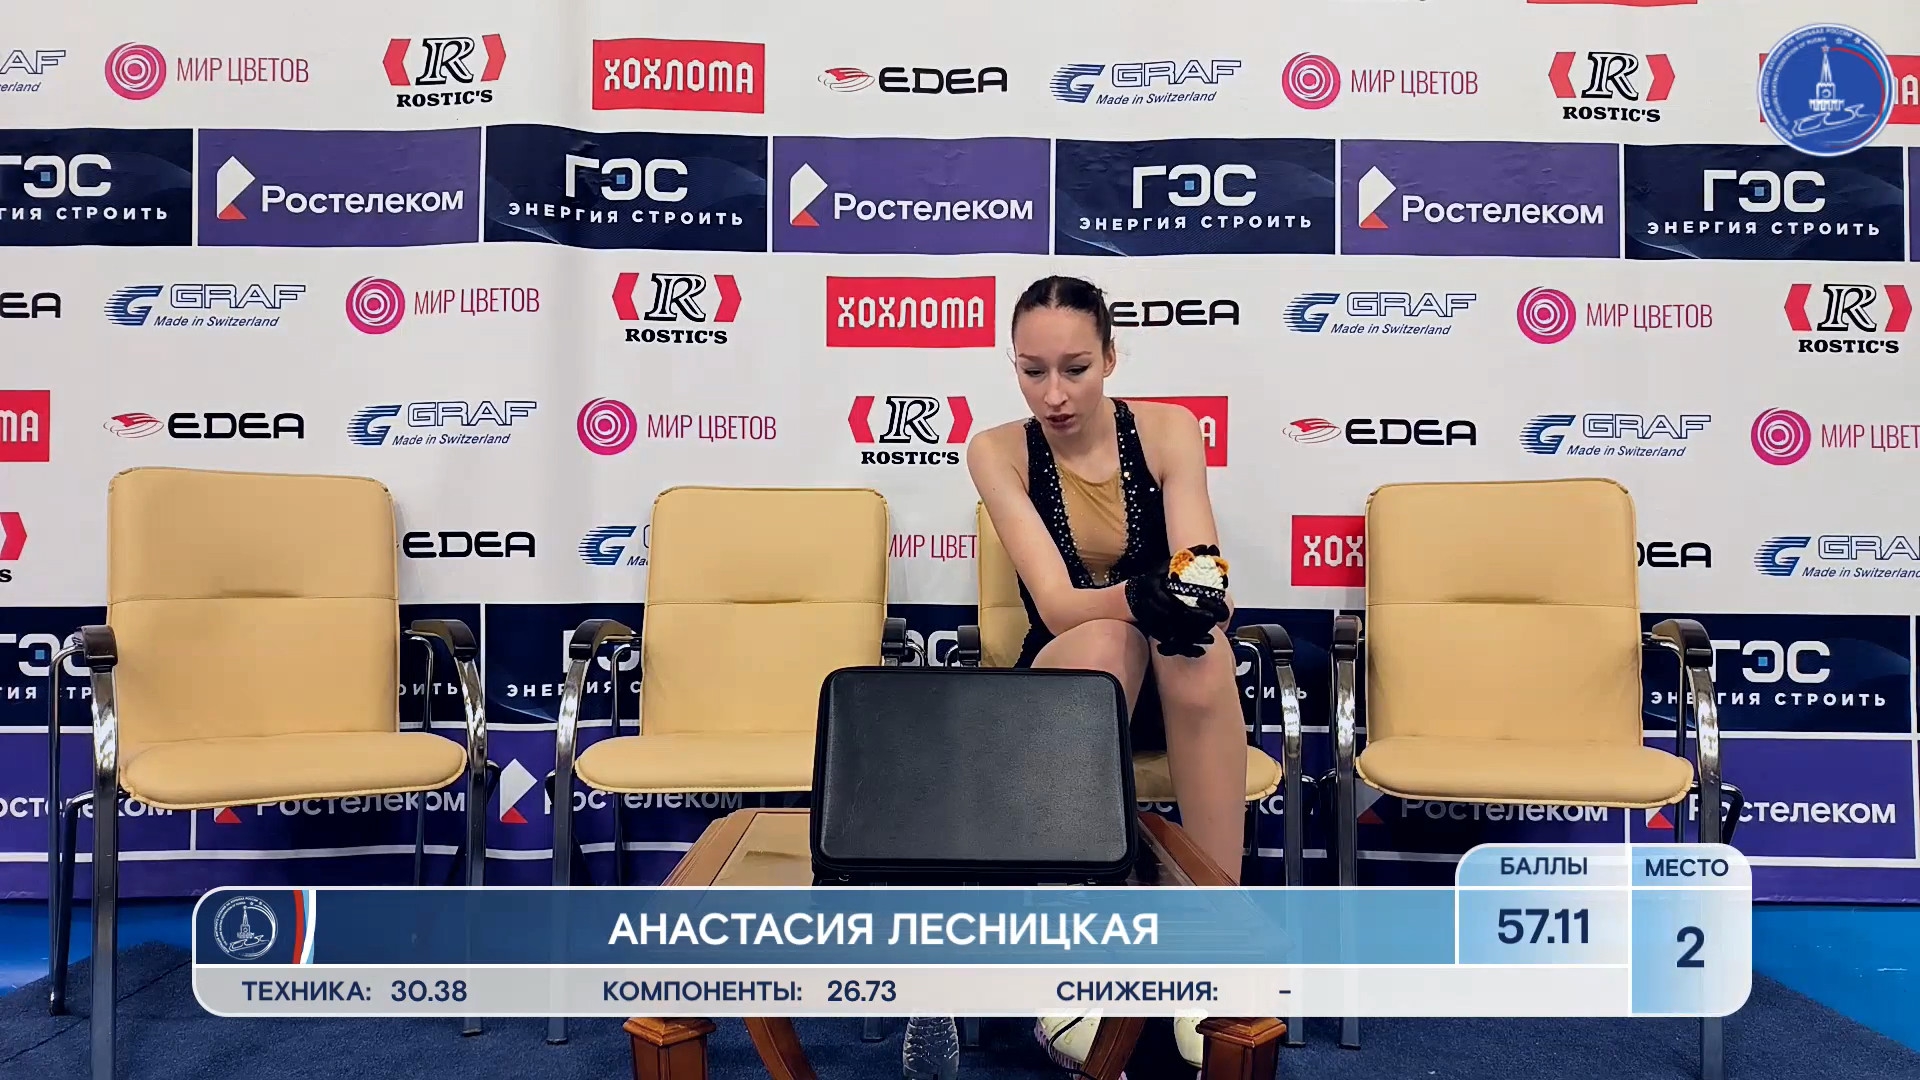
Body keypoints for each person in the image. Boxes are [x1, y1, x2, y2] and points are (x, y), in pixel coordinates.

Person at [968, 275, 1249, 1076]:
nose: (1054, 394)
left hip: (1171, 674)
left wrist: (1192, 597)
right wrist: (1146, 596)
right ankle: (1073, 958)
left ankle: (1210, 946)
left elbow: (1202, 571)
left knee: (1197, 648)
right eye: (1033, 371)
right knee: (1107, 644)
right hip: (1070, 668)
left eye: (1076, 369)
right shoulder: (996, 450)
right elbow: (1059, 607)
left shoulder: (1168, 430)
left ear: (1111, 358)